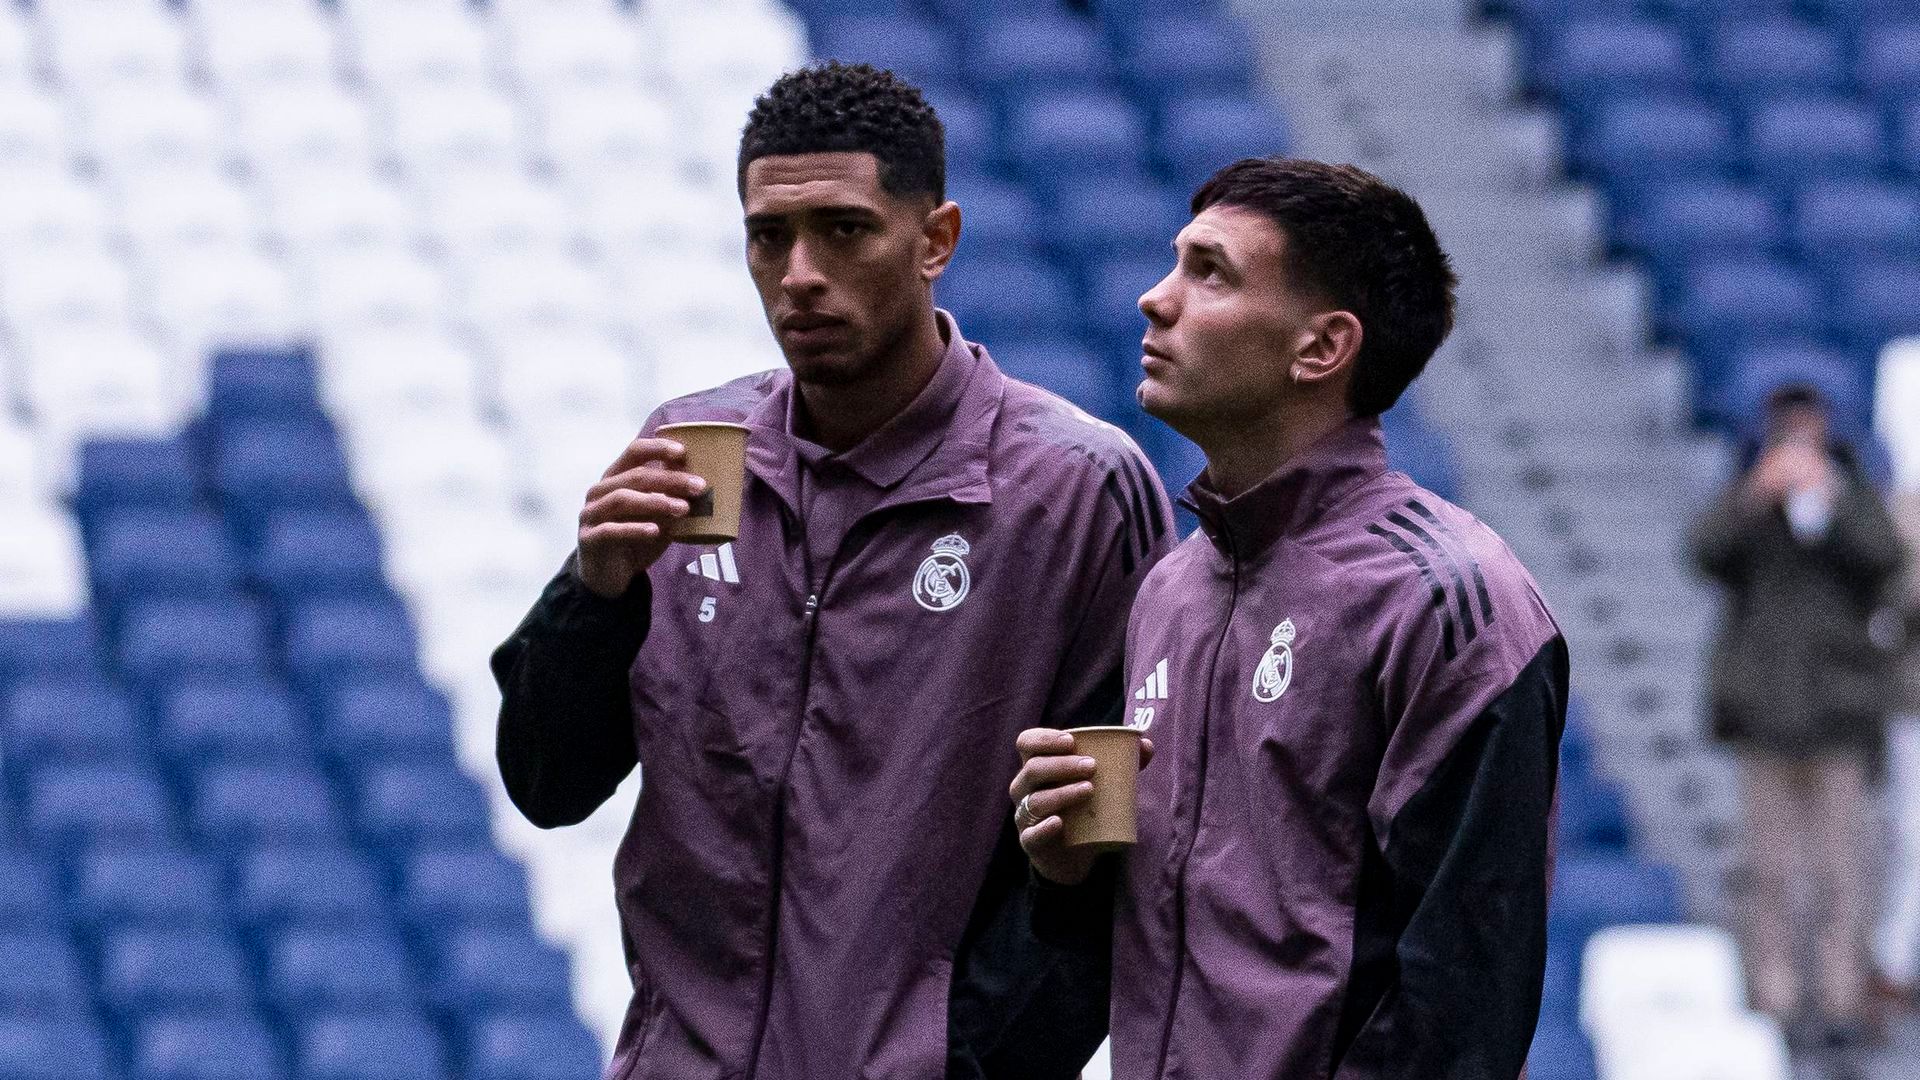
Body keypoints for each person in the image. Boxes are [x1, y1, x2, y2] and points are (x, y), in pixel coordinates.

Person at [490, 63, 1173, 1079]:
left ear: (936, 240)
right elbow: (548, 783)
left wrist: (961, 1063)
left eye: (844, 231)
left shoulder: (1075, 492)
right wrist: (597, 596)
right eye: (769, 237)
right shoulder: (688, 453)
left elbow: (1118, 846)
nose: (800, 274)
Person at [1007, 157, 1568, 1078]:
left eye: (1209, 273)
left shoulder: (1448, 601)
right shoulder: (1170, 589)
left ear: (1321, 348)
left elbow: (1463, 1007)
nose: (1155, 299)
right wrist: (1068, 877)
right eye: (1174, 263)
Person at [1690, 383, 1905, 1056]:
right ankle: (1774, 997)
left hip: (1839, 711)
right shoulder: (1748, 495)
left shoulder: (1854, 492)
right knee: (1768, 869)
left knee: (1844, 869)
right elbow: (1703, 554)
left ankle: (1841, 997)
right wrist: (1756, 494)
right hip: (1764, 712)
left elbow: (1885, 559)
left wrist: (1833, 500)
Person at [1875, 474, 1920, 1006]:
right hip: (1914, 705)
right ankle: (1893, 961)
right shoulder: (1907, 509)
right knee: (1912, 839)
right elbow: (1892, 602)